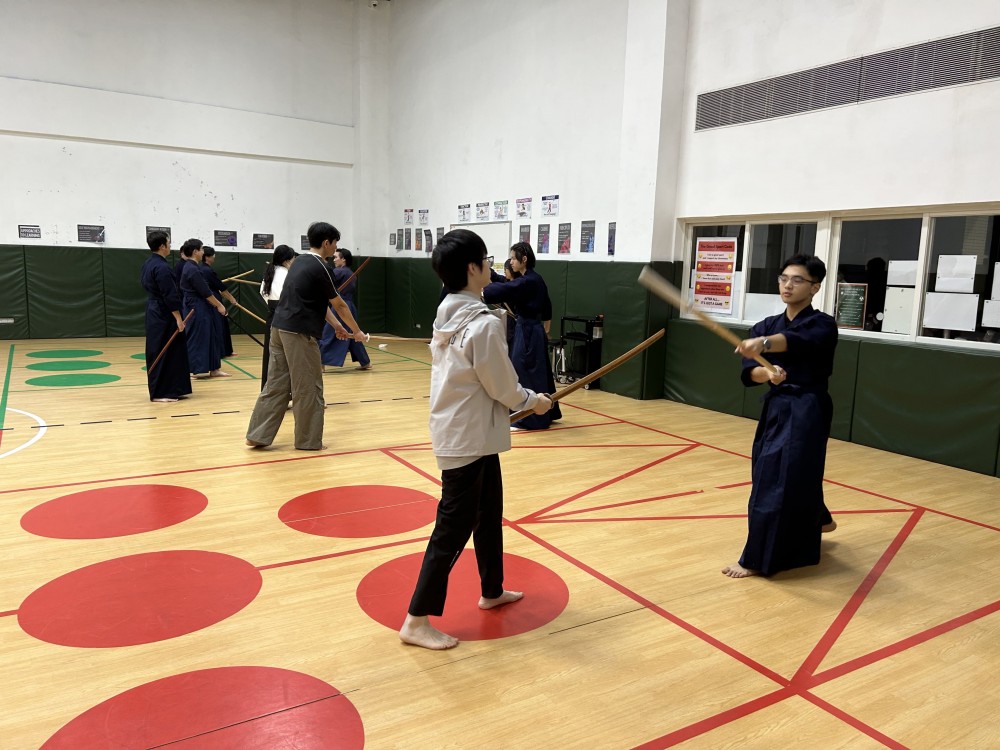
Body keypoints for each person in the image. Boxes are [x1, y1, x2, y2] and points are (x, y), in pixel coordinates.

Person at [399, 229, 553, 650]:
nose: (491, 265)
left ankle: (492, 589)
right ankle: (416, 620)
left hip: (473, 433)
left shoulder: (449, 309)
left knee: (488, 513)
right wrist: (535, 401)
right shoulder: (481, 324)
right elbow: (503, 388)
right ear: (472, 268)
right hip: (466, 436)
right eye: (486, 260)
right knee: (452, 530)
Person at [723, 254, 838, 579]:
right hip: (776, 406)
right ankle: (818, 517)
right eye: (784, 278)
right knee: (775, 472)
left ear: (815, 287)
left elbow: (797, 341)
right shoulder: (765, 325)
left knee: (780, 476)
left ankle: (757, 559)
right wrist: (767, 373)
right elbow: (749, 372)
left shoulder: (822, 324)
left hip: (807, 408)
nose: (788, 285)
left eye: (797, 280)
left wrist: (762, 344)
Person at [245, 222, 366, 451]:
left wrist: (338, 327)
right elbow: (339, 304)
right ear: (326, 243)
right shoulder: (321, 266)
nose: (336, 248)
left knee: (276, 384)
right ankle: (308, 441)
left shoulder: (299, 261)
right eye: (335, 243)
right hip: (298, 333)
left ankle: (257, 435)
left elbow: (320, 303)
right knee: (308, 387)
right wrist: (357, 331)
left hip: (278, 329)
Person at [482, 242, 561, 429]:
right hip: (532, 329)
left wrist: (481, 289)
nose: (511, 262)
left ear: (524, 259)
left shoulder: (529, 281)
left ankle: (530, 418)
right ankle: (547, 412)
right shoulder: (532, 279)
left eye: (513, 258)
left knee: (523, 370)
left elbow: (508, 288)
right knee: (537, 370)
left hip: (528, 331)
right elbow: (509, 284)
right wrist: (488, 272)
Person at [139, 232, 192, 403]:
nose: (170, 246)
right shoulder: (161, 267)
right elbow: (169, 294)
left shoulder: (148, 263)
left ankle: (175, 388)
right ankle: (161, 392)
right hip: (164, 312)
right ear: (162, 246)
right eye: (169, 243)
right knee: (164, 350)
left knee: (172, 350)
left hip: (155, 310)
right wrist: (178, 318)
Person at [178, 239, 229, 378]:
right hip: (195, 307)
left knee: (210, 335)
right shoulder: (191, 268)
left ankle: (214, 369)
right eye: (201, 249)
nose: (202, 252)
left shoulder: (194, 267)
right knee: (197, 336)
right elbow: (205, 292)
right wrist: (219, 305)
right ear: (195, 251)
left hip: (201, 306)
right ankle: (194, 369)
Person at [319, 247, 372, 371]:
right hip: (349, 307)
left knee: (327, 334)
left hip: (340, 307)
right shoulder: (348, 273)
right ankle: (365, 362)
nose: (334, 260)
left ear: (343, 260)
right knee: (353, 336)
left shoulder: (340, 271)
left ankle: (320, 363)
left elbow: (326, 279)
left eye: (336, 257)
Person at [259, 245, 296, 388]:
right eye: (293, 259)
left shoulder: (270, 272)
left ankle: (269, 389)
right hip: (286, 317)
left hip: (272, 315)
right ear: (286, 261)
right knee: (287, 355)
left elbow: (263, 293)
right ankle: (285, 391)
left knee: (271, 354)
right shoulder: (287, 274)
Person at [200, 246, 237, 360]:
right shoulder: (207, 271)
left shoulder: (201, 269)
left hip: (210, 300)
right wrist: (232, 299)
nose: (214, 258)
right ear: (207, 257)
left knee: (221, 324)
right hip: (213, 301)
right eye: (213, 255)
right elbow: (221, 287)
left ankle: (226, 350)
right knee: (218, 326)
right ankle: (221, 351)